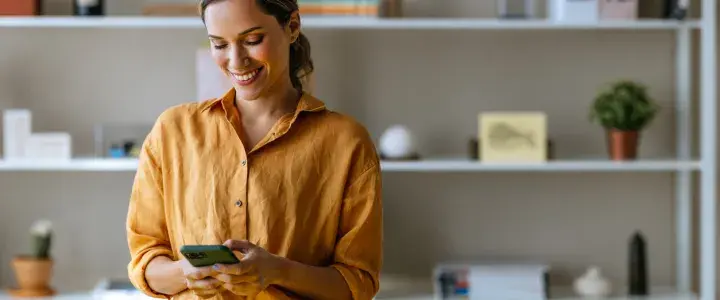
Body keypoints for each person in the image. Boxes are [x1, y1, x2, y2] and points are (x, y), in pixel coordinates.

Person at [125, 0, 383, 299]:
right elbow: (145, 263)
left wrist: (277, 270)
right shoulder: (172, 131)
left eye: (252, 40)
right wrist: (185, 271)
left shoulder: (347, 142)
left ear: (293, 27)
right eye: (219, 44)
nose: (236, 61)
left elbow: (358, 283)